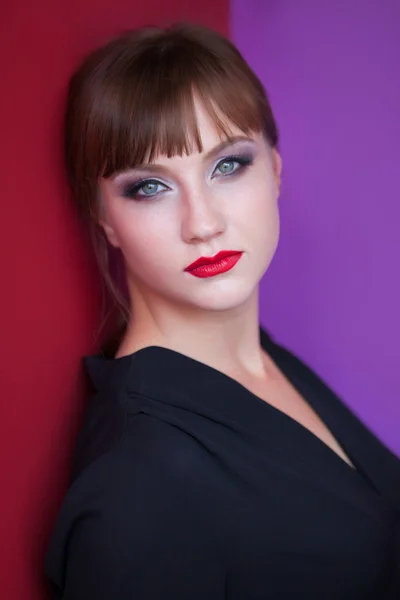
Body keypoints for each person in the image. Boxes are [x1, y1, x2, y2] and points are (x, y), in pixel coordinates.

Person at [44, 22, 400, 600]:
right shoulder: (142, 484)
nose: (202, 223)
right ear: (104, 218)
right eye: (149, 187)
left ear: (276, 170)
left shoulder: (262, 359)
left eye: (228, 165)